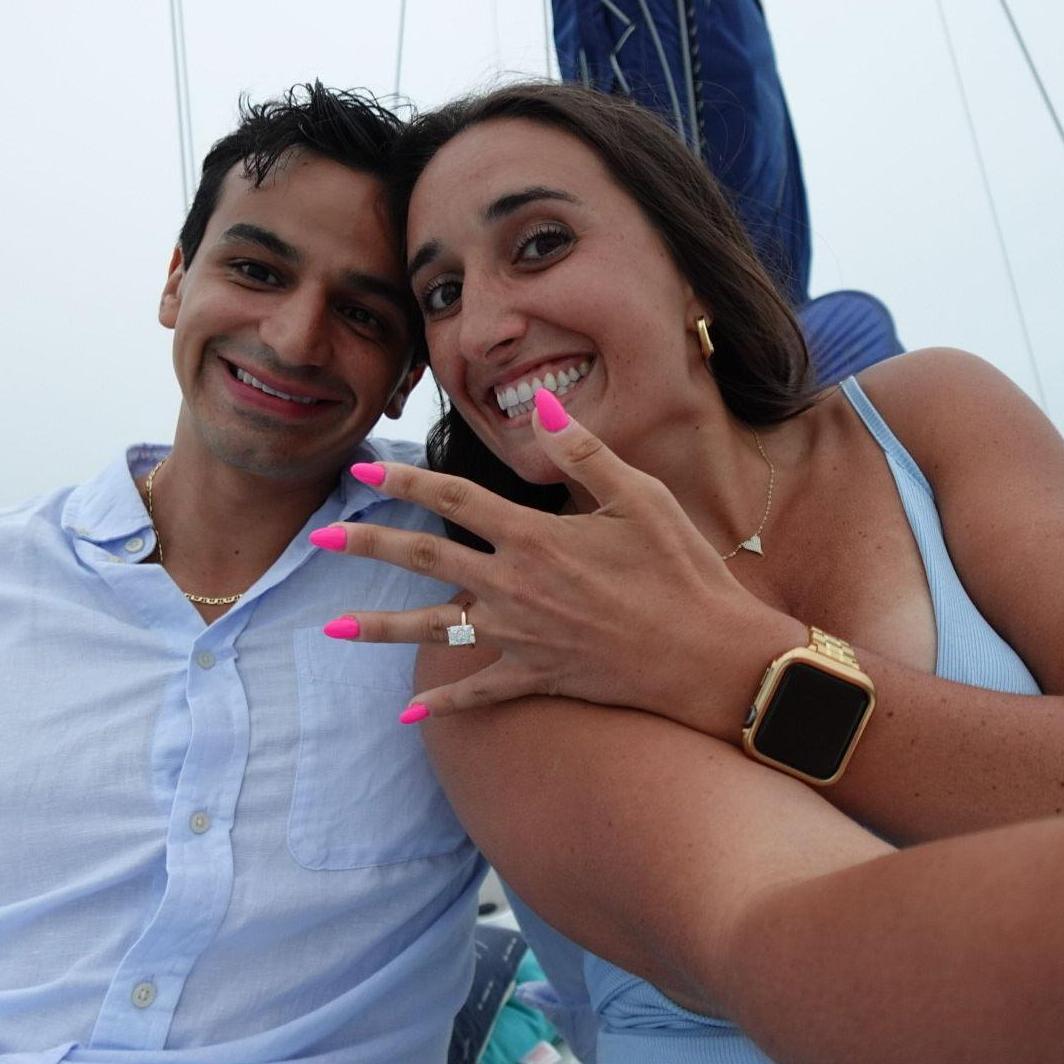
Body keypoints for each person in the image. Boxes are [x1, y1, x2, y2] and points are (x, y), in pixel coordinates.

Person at [313, 83, 1064, 1062]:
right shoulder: (489, 639)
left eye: (538, 243)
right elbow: (794, 935)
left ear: (691, 274)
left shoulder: (928, 415)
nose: (484, 326)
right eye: (440, 295)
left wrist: (736, 666)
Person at [0, 83, 485, 1062]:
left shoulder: (470, 569)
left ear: (405, 372)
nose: (296, 339)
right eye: (258, 269)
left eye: (361, 311)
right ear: (176, 279)